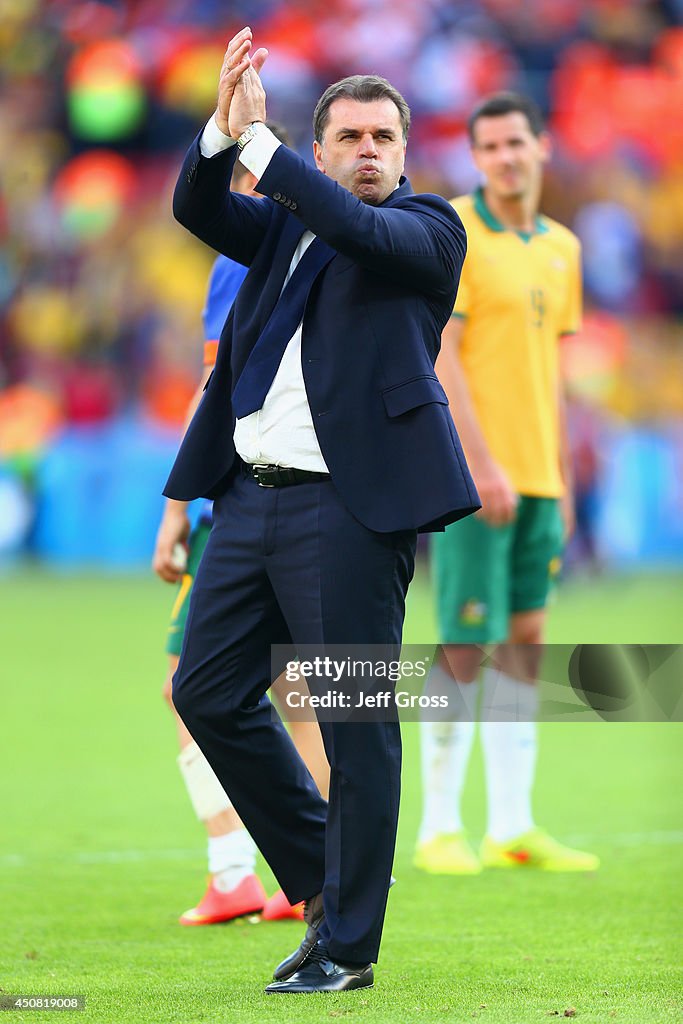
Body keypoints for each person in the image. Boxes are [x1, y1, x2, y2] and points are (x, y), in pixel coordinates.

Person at [165, 26, 477, 994]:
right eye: (349, 137)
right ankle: (321, 881)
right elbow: (194, 203)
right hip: (248, 501)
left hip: (349, 514)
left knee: (353, 724)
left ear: (404, 149)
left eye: (384, 136)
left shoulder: (426, 231)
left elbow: (354, 227)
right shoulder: (285, 228)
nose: (369, 151)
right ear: (324, 142)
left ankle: (346, 946)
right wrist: (223, 133)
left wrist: (269, 152)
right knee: (205, 691)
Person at [415, 92, 599, 876]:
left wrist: (555, 476)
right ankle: (437, 827)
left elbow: (546, 370)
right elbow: (441, 355)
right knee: (463, 645)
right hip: (472, 480)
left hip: (538, 482)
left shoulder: (561, 246)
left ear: (541, 146)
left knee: (525, 642)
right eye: (488, 147)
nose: (505, 157)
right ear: (474, 157)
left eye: (515, 142)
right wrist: (480, 465)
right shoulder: (454, 232)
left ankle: (513, 824)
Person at [153, 134, 329, 927]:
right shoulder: (303, 240)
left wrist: (174, 510)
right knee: (302, 689)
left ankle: (242, 870)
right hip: (290, 501)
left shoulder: (246, 251)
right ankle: (325, 870)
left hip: (245, 504)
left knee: (195, 688)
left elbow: (215, 382)